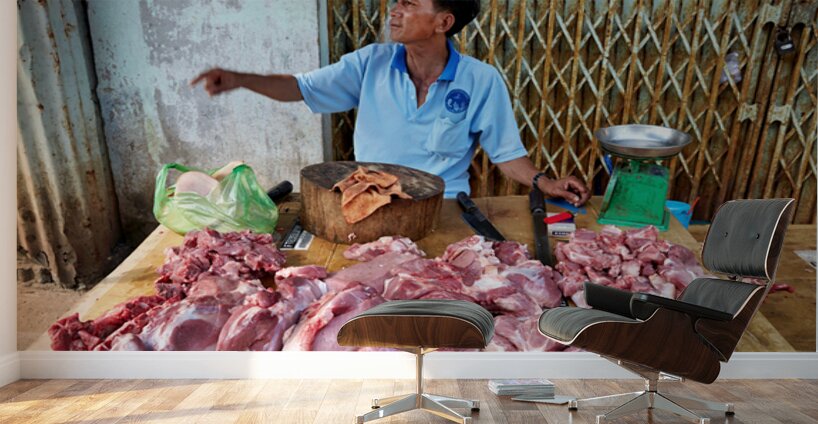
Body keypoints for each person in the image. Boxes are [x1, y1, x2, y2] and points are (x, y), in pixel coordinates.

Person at [192, 0, 590, 206]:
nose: (394, 11)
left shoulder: (480, 80)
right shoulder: (371, 63)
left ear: (443, 22)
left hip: (444, 207)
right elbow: (300, 87)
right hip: (370, 202)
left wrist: (545, 182)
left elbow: (506, 154)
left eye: (409, 4)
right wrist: (241, 80)